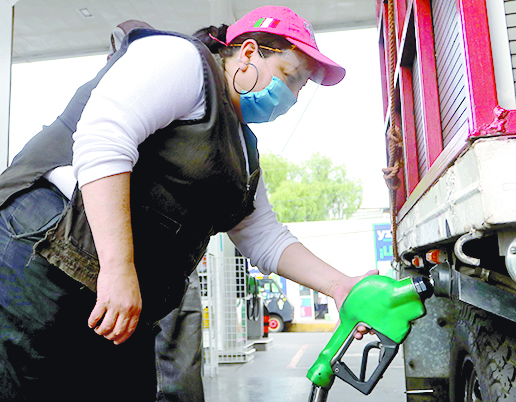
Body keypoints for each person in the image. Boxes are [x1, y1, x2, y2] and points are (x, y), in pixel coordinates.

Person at [0, 5, 377, 401]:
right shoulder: (181, 60)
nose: (293, 97)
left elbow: (263, 234)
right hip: (43, 253)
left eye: (301, 88)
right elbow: (104, 141)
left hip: (117, 288)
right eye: (291, 77)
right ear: (249, 52)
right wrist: (118, 268)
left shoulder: (242, 149)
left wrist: (340, 285)